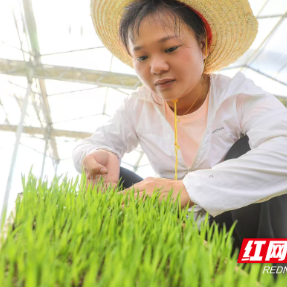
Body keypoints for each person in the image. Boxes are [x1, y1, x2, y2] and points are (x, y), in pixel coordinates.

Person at [73, 0, 287, 253]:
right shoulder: (138, 106)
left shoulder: (237, 97)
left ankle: (268, 270)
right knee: (115, 176)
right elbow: (90, 145)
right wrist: (92, 156)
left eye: (171, 48)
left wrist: (188, 189)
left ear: (203, 45)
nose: (156, 66)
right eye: (142, 56)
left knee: (250, 151)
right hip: (183, 229)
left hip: (243, 232)